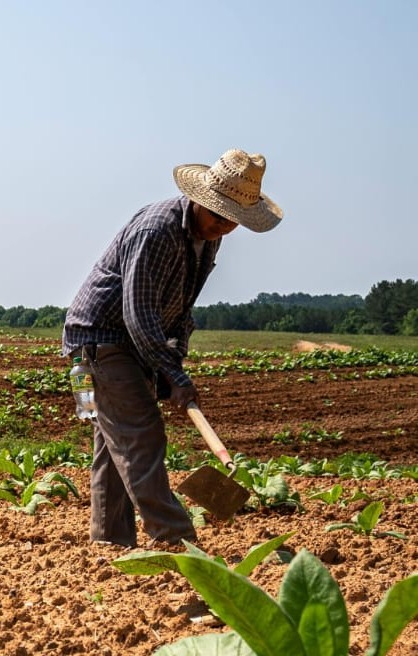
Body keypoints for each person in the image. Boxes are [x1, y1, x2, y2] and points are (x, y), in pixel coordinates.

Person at [62, 149, 284, 548]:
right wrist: (174, 375)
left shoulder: (205, 238)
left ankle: (109, 543)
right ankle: (174, 540)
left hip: (134, 340)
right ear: (199, 199)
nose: (224, 226)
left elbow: (180, 309)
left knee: (116, 447)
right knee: (141, 436)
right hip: (103, 338)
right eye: (218, 215)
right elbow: (138, 311)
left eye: (233, 220)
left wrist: (172, 361)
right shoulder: (157, 230)